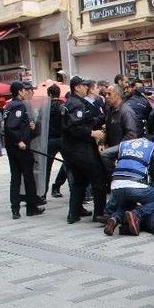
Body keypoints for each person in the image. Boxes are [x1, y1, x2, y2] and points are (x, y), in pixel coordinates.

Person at [61, 76, 107, 224]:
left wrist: (99, 119)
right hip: (81, 149)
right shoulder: (76, 104)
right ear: (77, 87)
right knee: (98, 179)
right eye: (83, 85)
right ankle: (99, 213)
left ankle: (73, 214)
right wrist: (92, 133)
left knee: (79, 182)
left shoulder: (71, 103)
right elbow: (75, 128)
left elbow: (83, 122)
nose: (86, 88)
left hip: (71, 150)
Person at [103, 137, 154, 237]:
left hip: (116, 186)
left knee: (127, 203)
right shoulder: (152, 148)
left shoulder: (125, 145)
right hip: (135, 185)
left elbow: (104, 154)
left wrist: (113, 172)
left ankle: (114, 219)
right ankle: (137, 214)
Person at [3, 81, 44, 219]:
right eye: (24, 90)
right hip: (20, 148)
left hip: (11, 147)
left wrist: (29, 126)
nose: (26, 92)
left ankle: (15, 208)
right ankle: (31, 207)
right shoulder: (19, 105)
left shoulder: (8, 105)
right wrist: (19, 140)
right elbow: (11, 126)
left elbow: (15, 125)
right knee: (28, 177)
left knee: (15, 178)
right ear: (20, 92)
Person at [45, 84, 67, 198]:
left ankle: (42, 194)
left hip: (49, 139)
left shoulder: (45, 108)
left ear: (49, 94)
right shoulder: (63, 106)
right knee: (68, 164)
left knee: (46, 167)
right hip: (63, 138)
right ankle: (57, 186)